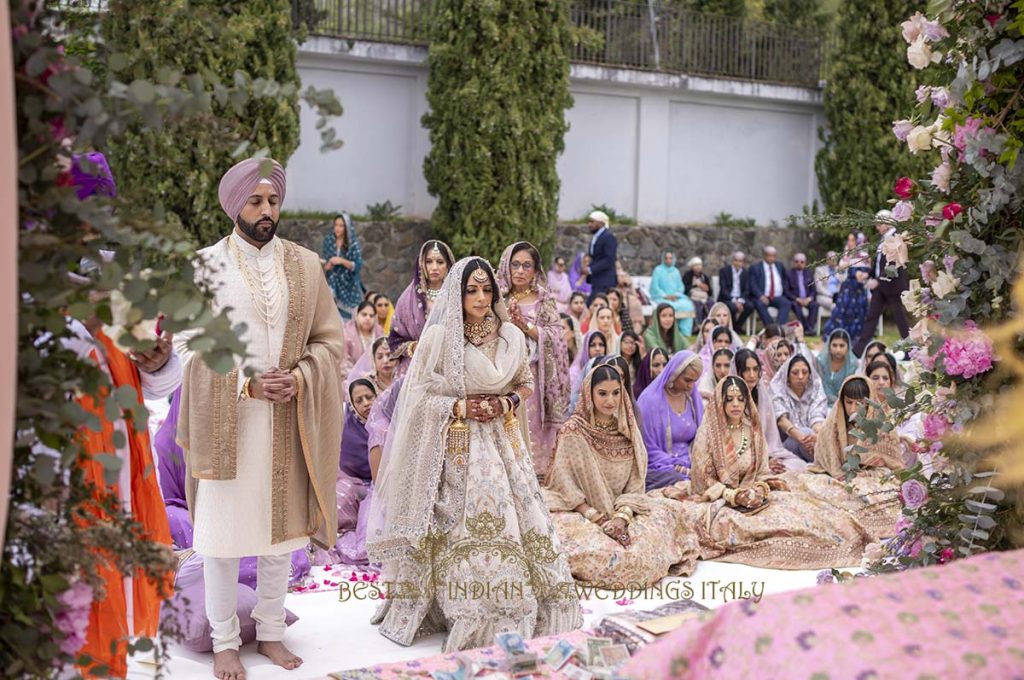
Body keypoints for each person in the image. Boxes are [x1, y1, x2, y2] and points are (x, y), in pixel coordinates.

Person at [175, 157, 345, 677]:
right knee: (224, 538)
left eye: (273, 200)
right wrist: (244, 382)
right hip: (227, 425)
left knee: (281, 535)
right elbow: (185, 343)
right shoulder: (204, 266)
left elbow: (329, 341)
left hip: (288, 421)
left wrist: (299, 379)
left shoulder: (305, 264)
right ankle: (225, 641)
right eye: (256, 200)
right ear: (234, 204)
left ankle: (271, 632)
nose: (267, 210)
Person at [367, 257, 582, 651]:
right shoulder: (439, 339)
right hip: (455, 443)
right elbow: (417, 398)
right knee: (453, 519)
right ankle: (456, 606)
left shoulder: (512, 337)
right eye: (472, 290)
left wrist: (507, 403)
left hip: (502, 442)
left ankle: (504, 605)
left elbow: (526, 382)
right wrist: (461, 408)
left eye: (487, 289)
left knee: (510, 510)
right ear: (457, 293)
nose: (481, 298)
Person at [62, 152, 177, 677]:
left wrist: (160, 357)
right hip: (60, 474)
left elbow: (158, 379)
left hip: (121, 472)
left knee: (114, 602)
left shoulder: (125, 285)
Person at [676, 377, 876, 569]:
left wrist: (760, 488)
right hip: (719, 501)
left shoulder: (751, 429)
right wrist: (733, 495)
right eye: (729, 399)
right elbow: (703, 479)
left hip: (753, 495)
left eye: (740, 399)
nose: (736, 404)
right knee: (757, 528)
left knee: (801, 511)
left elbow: (762, 471)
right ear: (720, 402)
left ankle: (848, 542)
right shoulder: (710, 433)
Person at [543, 365, 699, 588]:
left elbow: (635, 485)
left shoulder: (627, 432)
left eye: (616, 392)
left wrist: (621, 518)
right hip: (581, 512)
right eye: (603, 393)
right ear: (589, 394)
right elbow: (564, 487)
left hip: (624, 510)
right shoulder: (573, 432)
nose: (610, 400)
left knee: (662, 525)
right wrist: (599, 519)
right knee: (578, 546)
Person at [498, 242, 572, 480]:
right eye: (515, 264)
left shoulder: (543, 300)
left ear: (536, 270)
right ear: (506, 267)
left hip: (535, 378)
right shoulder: (496, 298)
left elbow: (557, 337)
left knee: (533, 426)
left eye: (526, 265)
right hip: (502, 375)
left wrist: (525, 326)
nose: (520, 270)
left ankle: (538, 476)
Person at [637, 351, 704, 491]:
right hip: (661, 466)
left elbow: (703, 437)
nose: (691, 386)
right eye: (687, 380)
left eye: (694, 381)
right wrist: (679, 466)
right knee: (678, 481)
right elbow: (646, 448)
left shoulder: (692, 397)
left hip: (692, 462)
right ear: (674, 375)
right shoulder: (649, 401)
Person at [814, 376, 905, 479]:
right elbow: (820, 464)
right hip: (835, 477)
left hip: (870, 481)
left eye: (860, 403)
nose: (853, 409)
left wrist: (864, 474)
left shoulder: (883, 429)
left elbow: (896, 470)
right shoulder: (830, 428)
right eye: (849, 402)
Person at [387, 240, 455, 376]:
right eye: (429, 262)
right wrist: (414, 347)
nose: (434, 267)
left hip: (450, 365)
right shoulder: (408, 299)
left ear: (448, 266)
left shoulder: (457, 296)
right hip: (415, 368)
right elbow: (395, 339)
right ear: (421, 265)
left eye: (440, 262)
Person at [331, 378, 378, 567]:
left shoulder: (390, 421)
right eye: (359, 400)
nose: (366, 403)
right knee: (340, 497)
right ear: (351, 404)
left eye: (369, 397)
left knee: (375, 509)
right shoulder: (345, 424)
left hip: (381, 483)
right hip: (352, 481)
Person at [853, 210, 911, 356]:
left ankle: (910, 350)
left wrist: (878, 280)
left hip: (893, 285)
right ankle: (858, 350)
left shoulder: (895, 237)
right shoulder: (884, 238)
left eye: (879, 224)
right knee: (872, 316)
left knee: (900, 318)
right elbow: (880, 263)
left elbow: (893, 264)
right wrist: (870, 274)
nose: (877, 227)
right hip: (881, 286)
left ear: (886, 223)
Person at [733, 349, 795, 473]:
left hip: (768, 453)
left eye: (755, 369)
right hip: (740, 459)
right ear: (737, 372)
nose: (752, 375)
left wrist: (770, 458)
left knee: (798, 466)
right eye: (746, 370)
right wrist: (763, 461)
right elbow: (734, 444)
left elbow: (771, 439)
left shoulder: (762, 398)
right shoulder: (731, 403)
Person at [770, 354, 827, 465]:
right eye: (795, 373)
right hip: (786, 443)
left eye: (805, 372)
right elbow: (781, 420)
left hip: (811, 443)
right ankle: (820, 463)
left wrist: (816, 436)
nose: (800, 377)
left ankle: (818, 462)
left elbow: (817, 416)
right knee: (806, 431)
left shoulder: (815, 389)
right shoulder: (778, 389)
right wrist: (801, 437)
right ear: (787, 375)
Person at [824, 233, 871, 339]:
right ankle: (838, 339)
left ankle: (856, 343)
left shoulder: (864, 256)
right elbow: (839, 273)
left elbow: (867, 273)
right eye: (849, 240)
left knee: (857, 315)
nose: (849, 243)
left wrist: (861, 275)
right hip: (846, 290)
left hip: (858, 291)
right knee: (840, 314)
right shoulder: (846, 254)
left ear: (859, 242)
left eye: (853, 240)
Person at [322, 213, 364, 319]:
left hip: (349, 286)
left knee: (351, 318)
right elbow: (326, 261)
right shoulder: (329, 241)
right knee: (332, 317)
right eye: (336, 225)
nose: (337, 228)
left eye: (341, 226)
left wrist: (341, 261)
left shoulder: (353, 244)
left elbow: (357, 266)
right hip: (332, 284)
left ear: (347, 228)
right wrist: (327, 266)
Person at [649, 252, 696, 336]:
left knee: (688, 305)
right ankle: (667, 333)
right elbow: (654, 287)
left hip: (675, 297)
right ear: (663, 259)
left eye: (670, 258)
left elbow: (680, 287)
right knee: (668, 307)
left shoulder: (676, 271)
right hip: (662, 297)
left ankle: (684, 332)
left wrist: (676, 295)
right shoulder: (658, 270)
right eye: (666, 258)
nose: (668, 260)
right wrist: (665, 296)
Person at [747, 246, 791, 328]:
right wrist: (760, 295)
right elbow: (752, 284)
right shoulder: (755, 267)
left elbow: (784, 280)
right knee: (759, 304)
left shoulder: (779, 266)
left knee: (786, 303)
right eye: (769, 255)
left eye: (774, 256)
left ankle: (779, 327)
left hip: (777, 296)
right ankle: (771, 328)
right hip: (762, 296)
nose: (772, 258)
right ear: (764, 256)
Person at [339, 300, 383, 381]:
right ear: (356, 315)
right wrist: (359, 375)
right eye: (364, 314)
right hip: (351, 378)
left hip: (377, 377)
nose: (368, 318)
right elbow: (344, 362)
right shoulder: (347, 333)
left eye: (371, 315)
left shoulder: (379, 333)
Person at [583, 210, 618, 305]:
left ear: (601, 223)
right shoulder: (596, 237)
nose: (589, 224)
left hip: (605, 281)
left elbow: (609, 259)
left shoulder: (608, 237)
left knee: (593, 305)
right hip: (596, 280)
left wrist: (591, 269)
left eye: (592, 222)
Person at [815, 329, 858, 406]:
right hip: (821, 403)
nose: (838, 350)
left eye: (842, 346)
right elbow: (817, 386)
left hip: (844, 405)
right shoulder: (821, 362)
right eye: (834, 345)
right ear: (829, 346)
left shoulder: (853, 365)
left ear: (848, 347)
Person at [716, 250, 753, 330]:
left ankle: (737, 327)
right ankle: (731, 328)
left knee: (750, 306)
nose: (737, 263)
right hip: (727, 298)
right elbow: (723, 289)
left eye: (740, 261)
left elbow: (747, 290)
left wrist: (739, 300)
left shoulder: (745, 273)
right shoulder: (724, 271)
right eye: (736, 260)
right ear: (733, 260)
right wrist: (734, 301)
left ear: (743, 262)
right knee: (733, 307)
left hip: (740, 298)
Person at [786, 253, 819, 335]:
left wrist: (809, 298)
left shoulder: (809, 273)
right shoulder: (789, 274)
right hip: (795, 299)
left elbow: (813, 290)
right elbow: (786, 290)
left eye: (802, 262)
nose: (799, 263)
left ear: (805, 263)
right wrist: (797, 299)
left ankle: (809, 328)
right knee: (795, 306)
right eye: (797, 261)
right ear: (794, 262)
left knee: (815, 305)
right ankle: (807, 329)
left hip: (807, 299)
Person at [682, 256, 712, 326]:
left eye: (699, 265)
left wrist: (704, 287)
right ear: (692, 266)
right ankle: (698, 325)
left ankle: (709, 323)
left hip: (704, 296)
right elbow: (685, 288)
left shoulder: (704, 276)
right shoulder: (687, 275)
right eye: (696, 265)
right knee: (697, 305)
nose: (698, 267)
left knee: (711, 303)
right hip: (692, 296)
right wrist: (696, 286)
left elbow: (710, 291)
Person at [814, 250, 843, 315]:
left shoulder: (839, 271)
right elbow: (819, 287)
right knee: (835, 306)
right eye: (831, 259)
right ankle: (834, 324)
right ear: (827, 260)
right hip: (824, 296)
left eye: (835, 259)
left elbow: (843, 283)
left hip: (837, 296)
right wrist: (831, 295)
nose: (833, 261)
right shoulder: (820, 270)